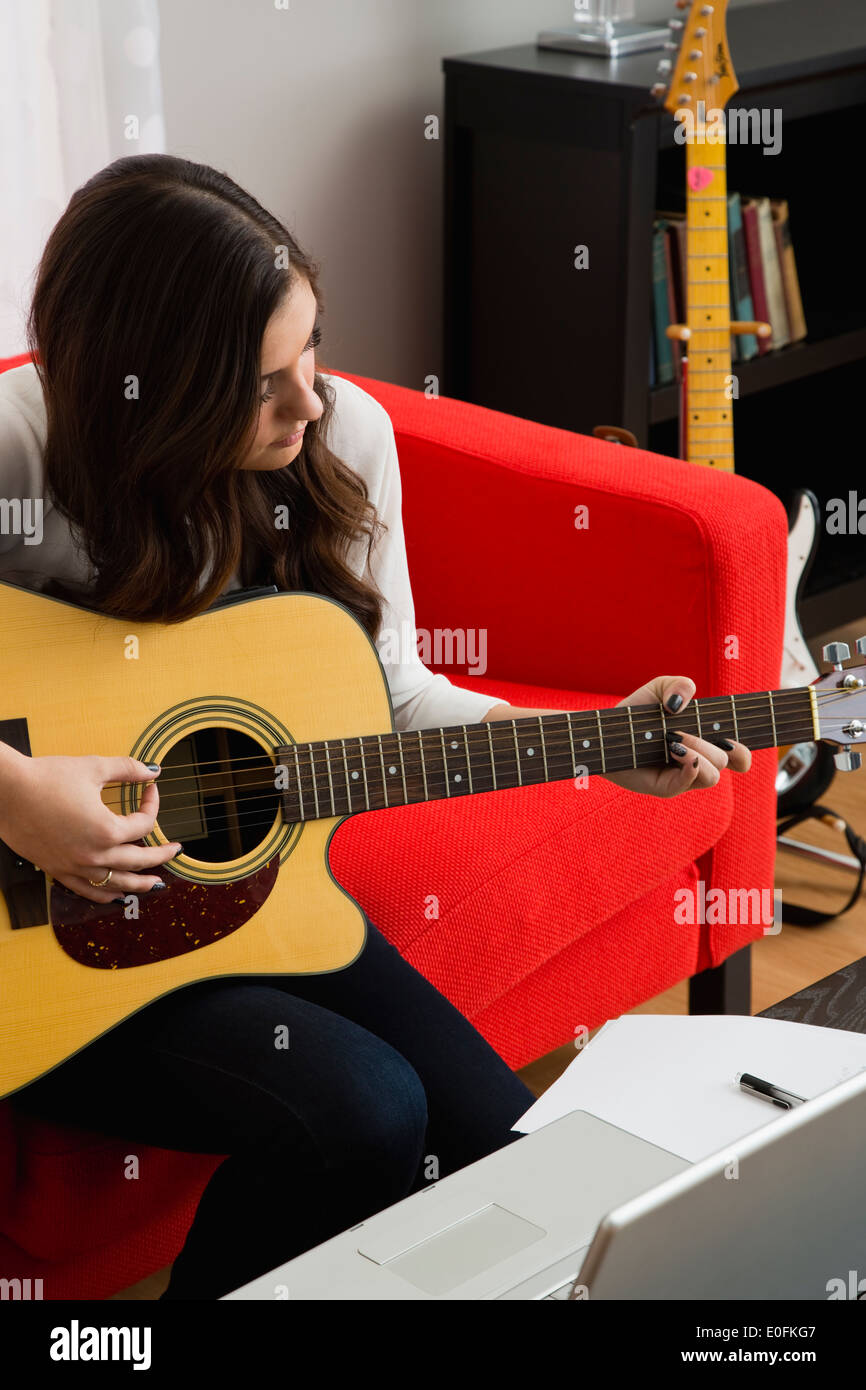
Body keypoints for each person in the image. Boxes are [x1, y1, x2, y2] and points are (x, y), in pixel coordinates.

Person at [0, 155, 752, 1300]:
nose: (310, 399)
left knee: (512, 1167)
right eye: (262, 383)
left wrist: (603, 746)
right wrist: (20, 799)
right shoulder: (17, 450)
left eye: (310, 349)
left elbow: (390, 695)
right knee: (362, 1108)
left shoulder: (338, 434)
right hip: (45, 950)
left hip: (244, 903)